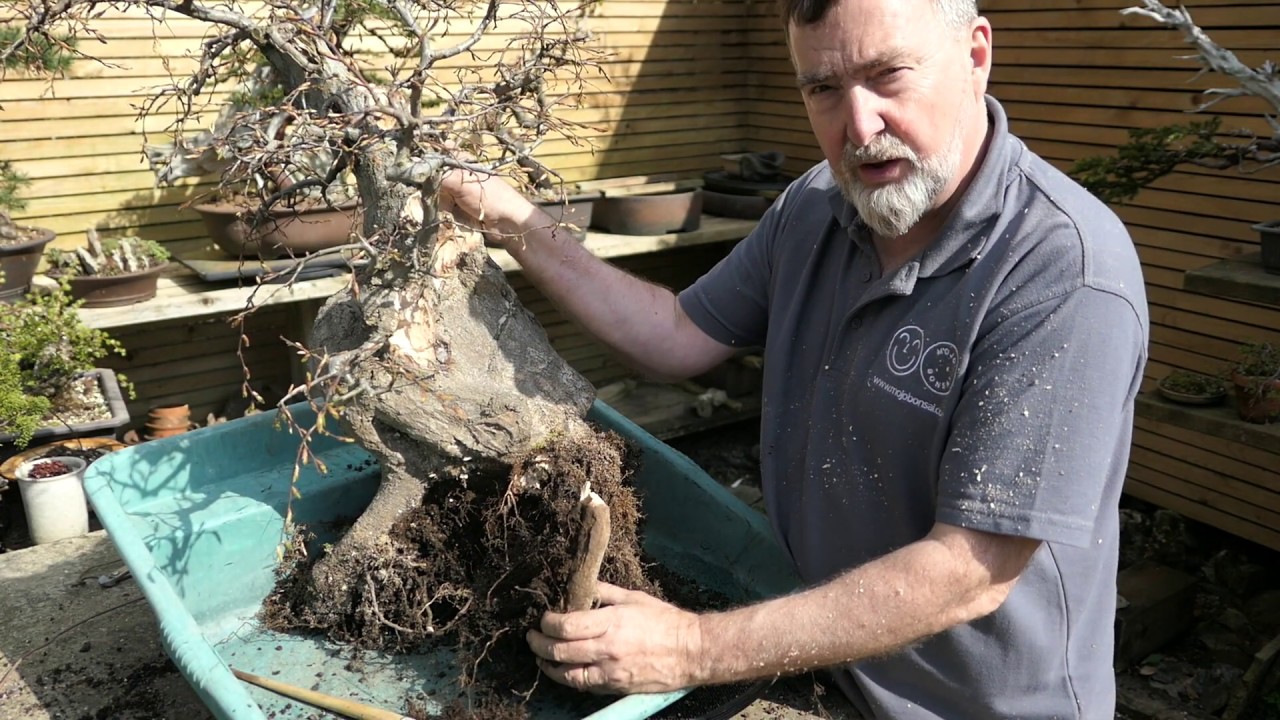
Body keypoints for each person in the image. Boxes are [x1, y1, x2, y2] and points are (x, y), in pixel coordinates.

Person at [439, 0, 1150, 716]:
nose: (859, 127)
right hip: (817, 662)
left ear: (975, 56)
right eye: (823, 89)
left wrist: (688, 649)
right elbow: (676, 332)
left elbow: (972, 570)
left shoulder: (1064, 269)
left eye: (888, 76)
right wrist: (513, 220)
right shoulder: (815, 206)